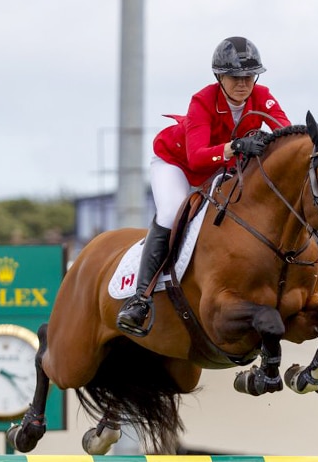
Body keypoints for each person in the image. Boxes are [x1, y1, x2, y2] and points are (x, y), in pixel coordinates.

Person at [116, 36, 292, 337]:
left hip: (222, 168)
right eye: (235, 77)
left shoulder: (262, 96)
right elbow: (197, 159)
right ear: (219, 78)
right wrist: (236, 146)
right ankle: (140, 299)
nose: (243, 84)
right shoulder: (202, 101)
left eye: (249, 76)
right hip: (177, 164)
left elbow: (285, 133)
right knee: (172, 212)